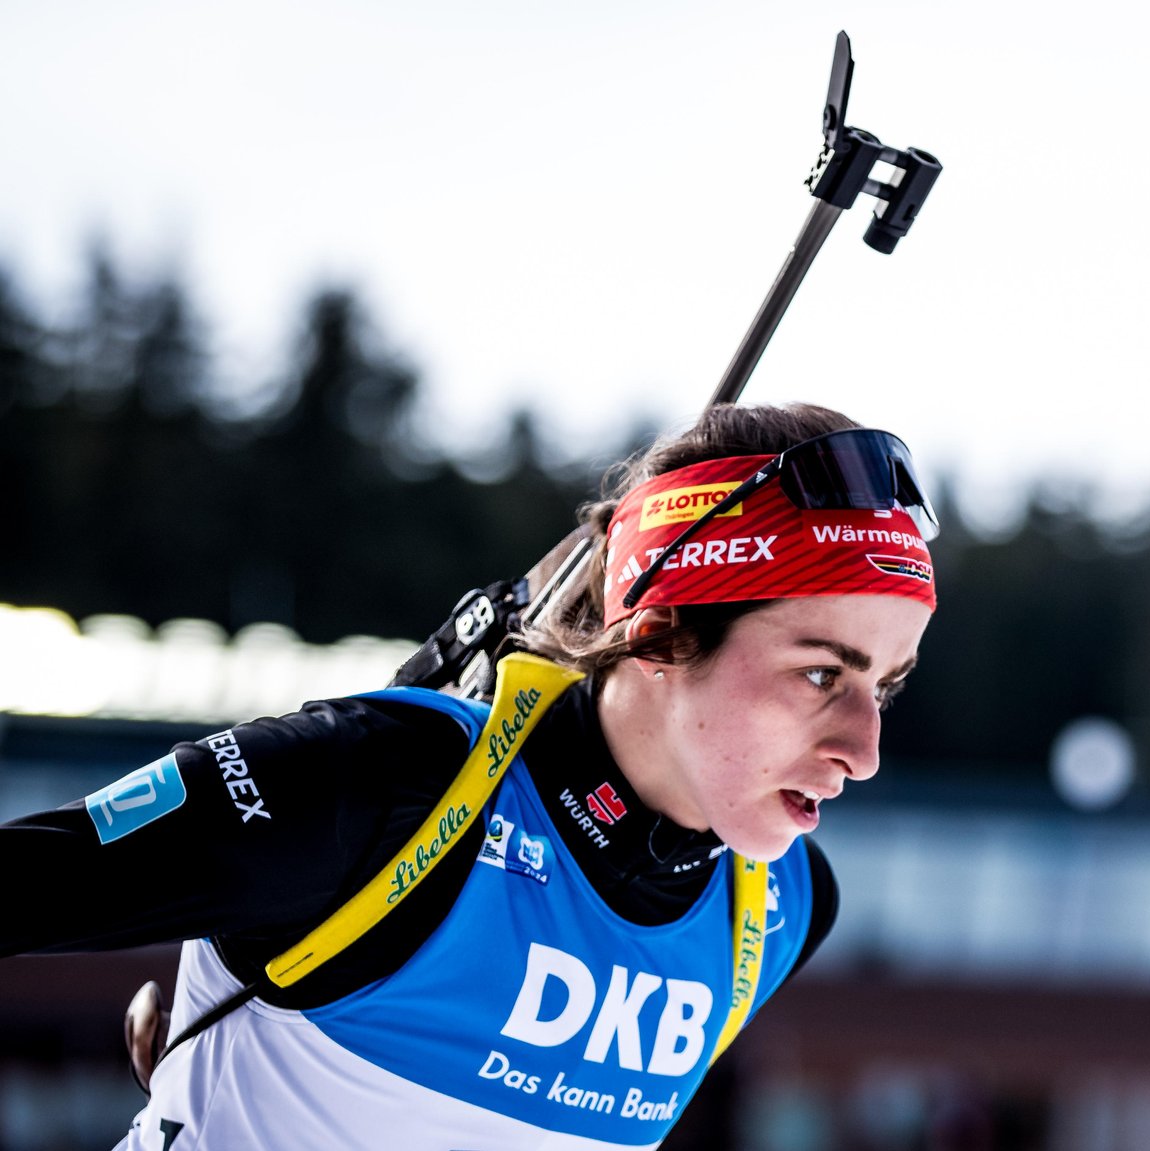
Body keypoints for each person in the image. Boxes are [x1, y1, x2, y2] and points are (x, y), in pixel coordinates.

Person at [0, 401, 940, 1149]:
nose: (863, 749)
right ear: (659, 631)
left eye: (883, 688)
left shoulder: (782, 904)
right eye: (822, 674)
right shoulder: (385, 786)